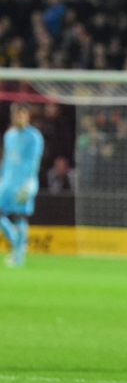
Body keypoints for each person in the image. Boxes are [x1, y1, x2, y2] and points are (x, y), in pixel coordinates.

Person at [0, 103, 44, 267]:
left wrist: (29, 183)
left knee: (20, 217)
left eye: (22, 114)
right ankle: (14, 240)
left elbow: (34, 161)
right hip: (7, 182)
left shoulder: (34, 136)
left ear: (27, 116)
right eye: (16, 114)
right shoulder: (9, 135)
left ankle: (18, 256)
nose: (19, 117)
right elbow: (6, 160)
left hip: (23, 183)